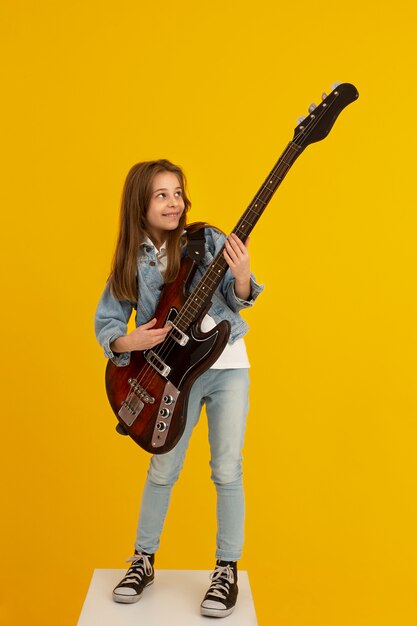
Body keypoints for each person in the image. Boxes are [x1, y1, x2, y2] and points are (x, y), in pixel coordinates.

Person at [95, 159, 263, 618]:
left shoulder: (206, 240)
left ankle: (226, 568)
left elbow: (238, 295)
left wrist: (243, 274)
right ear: (139, 206)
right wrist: (132, 340)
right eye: (161, 195)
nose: (174, 202)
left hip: (228, 368)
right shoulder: (132, 260)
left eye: (178, 192)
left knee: (227, 469)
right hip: (173, 376)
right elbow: (108, 322)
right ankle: (143, 559)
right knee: (163, 469)